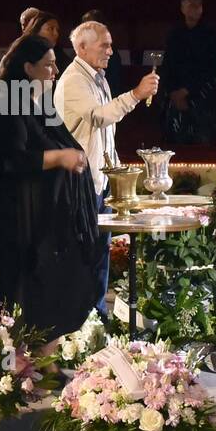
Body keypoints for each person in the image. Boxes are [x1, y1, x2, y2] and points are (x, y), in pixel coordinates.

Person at [0, 35, 96, 342]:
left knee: (58, 282)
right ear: (28, 67)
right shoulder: (7, 100)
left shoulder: (38, 97)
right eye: (47, 65)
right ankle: (30, 356)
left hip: (52, 211)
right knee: (35, 286)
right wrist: (60, 157)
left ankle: (46, 353)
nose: (54, 71)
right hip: (25, 214)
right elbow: (10, 159)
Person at [57, 20, 159, 313]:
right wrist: (136, 95)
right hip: (81, 185)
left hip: (99, 183)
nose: (111, 51)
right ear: (82, 47)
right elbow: (100, 117)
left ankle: (97, 317)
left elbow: (105, 134)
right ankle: (82, 322)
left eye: (111, 44)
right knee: (86, 256)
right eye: (105, 45)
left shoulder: (97, 77)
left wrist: (115, 170)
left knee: (99, 254)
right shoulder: (74, 80)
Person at [162, 0, 216, 144]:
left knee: (204, 148)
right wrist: (172, 93)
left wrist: (186, 91)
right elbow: (168, 66)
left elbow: (210, 69)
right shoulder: (174, 34)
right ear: (183, 8)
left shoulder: (211, 34)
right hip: (176, 98)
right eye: (191, 5)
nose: (195, 9)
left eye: (199, 5)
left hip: (202, 99)